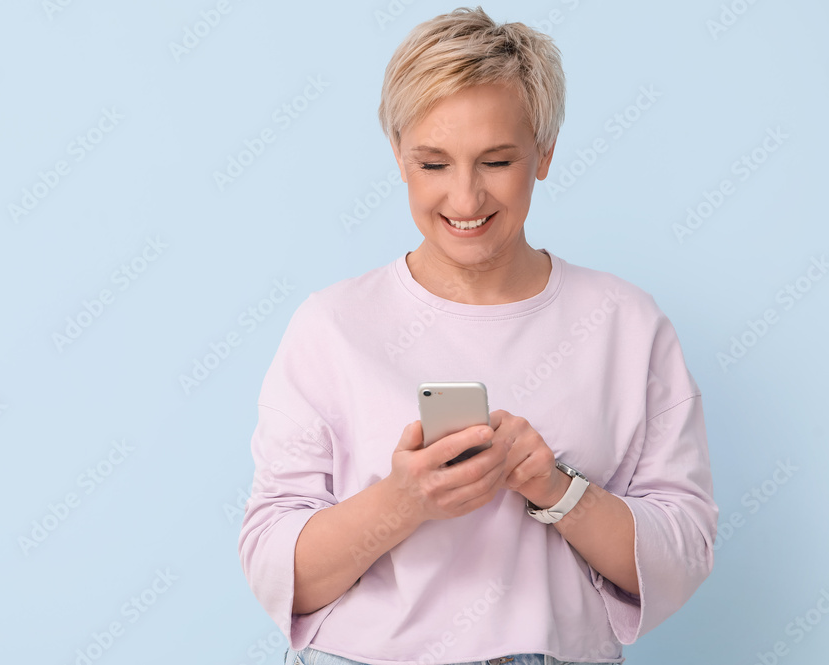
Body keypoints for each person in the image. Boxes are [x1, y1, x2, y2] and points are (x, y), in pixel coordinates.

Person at [238, 7, 717, 665]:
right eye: (433, 163)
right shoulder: (332, 326)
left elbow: (685, 552)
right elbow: (272, 566)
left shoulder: (626, 324)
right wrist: (401, 502)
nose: (465, 199)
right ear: (398, 155)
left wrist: (558, 487)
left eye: (495, 161)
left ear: (544, 154)